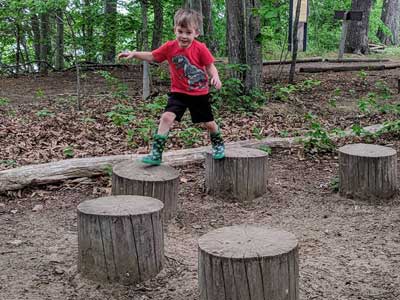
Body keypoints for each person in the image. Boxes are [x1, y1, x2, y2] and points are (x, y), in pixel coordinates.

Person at [117, 8, 225, 166]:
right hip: (179, 93)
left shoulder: (200, 48)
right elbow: (153, 56)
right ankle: (156, 153)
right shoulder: (169, 47)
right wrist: (135, 54)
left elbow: (210, 66)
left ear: (196, 33)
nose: (184, 36)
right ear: (175, 29)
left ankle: (218, 144)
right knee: (167, 117)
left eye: (188, 32)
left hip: (199, 93)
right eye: (180, 31)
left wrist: (215, 77)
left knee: (208, 123)